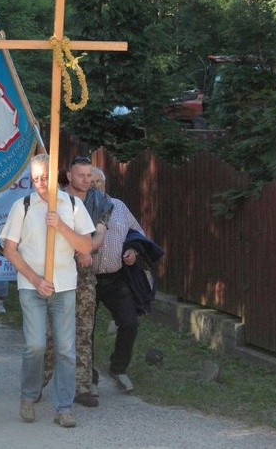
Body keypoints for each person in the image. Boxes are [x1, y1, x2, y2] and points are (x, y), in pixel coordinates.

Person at [0, 154, 94, 428]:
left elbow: (86, 247)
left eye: (45, 177)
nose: (40, 183)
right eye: (36, 178)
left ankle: (63, 407)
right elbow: (9, 249)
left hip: (64, 287)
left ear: (56, 177)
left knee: (66, 349)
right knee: (35, 345)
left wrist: (61, 226)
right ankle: (29, 396)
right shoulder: (23, 206)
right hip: (32, 286)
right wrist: (35, 278)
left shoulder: (73, 204)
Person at [45, 156, 113, 408]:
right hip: (58, 268)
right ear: (70, 176)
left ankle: (82, 386)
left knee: (83, 329)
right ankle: (39, 381)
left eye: (90, 176)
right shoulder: (56, 199)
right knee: (52, 331)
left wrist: (86, 251)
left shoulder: (101, 201)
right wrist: (78, 250)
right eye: (81, 175)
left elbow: (100, 233)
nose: (87, 180)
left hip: (84, 272)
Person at [91, 167, 155, 394]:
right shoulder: (78, 206)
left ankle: (118, 368)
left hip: (116, 277)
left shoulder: (118, 206)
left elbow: (137, 234)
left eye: (99, 181)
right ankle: (89, 377)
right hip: (88, 278)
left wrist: (133, 252)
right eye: (90, 180)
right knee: (85, 327)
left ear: (105, 184)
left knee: (129, 323)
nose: (95, 185)